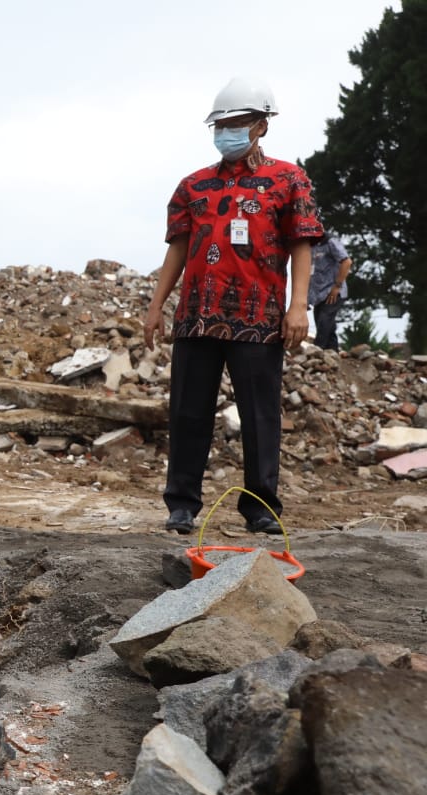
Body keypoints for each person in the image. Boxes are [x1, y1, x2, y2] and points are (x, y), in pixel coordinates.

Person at [143, 77, 323, 537]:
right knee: (187, 412)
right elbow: (178, 248)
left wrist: (298, 306)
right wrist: (156, 304)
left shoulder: (289, 180)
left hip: (260, 319)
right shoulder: (193, 186)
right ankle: (182, 504)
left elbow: (302, 244)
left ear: (261, 126)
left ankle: (260, 507)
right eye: (220, 126)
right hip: (196, 318)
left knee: (260, 416)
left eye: (236, 124)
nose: (227, 133)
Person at [309, 233, 352, 350]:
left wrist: (337, 286)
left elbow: (346, 262)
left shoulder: (330, 242)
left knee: (324, 322)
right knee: (326, 326)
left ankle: (316, 351)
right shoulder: (309, 246)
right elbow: (310, 273)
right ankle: (332, 354)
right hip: (318, 294)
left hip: (333, 292)